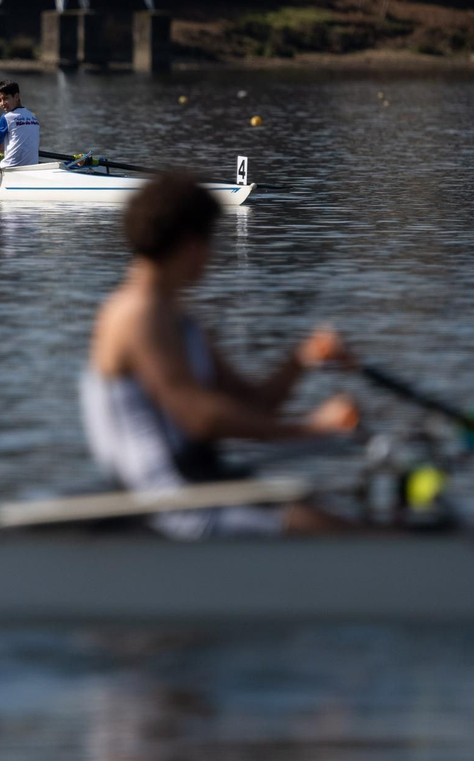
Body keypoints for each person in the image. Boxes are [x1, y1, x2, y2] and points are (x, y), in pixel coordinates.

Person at [79, 170, 359, 538]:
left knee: (352, 511)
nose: (212, 255)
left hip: (202, 480)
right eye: (210, 240)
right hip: (171, 505)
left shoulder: (179, 318)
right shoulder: (135, 314)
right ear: (191, 243)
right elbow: (200, 418)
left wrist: (302, 359)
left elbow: (254, 404)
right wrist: (312, 428)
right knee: (351, 532)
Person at [0, 80, 40, 168]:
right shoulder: (33, 117)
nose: (2, 103)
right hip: (32, 167)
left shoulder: (7, 117)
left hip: (10, 167)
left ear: (16, 96)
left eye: (5, 98)